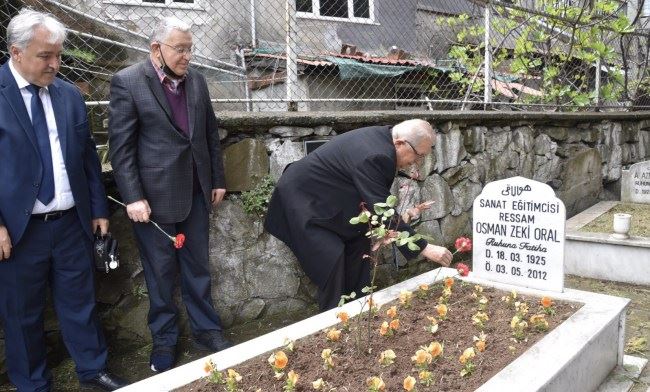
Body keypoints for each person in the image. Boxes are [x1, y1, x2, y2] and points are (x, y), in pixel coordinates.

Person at [0, 9, 128, 391]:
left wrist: (99, 210)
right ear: (16, 52)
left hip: (72, 224)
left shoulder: (69, 95)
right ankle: (32, 384)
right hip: (19, 231)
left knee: (81, 302)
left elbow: (87, 157)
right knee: (21, 314)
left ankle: (93, 370)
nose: (55, 64)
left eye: (58, 55)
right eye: (45, 56)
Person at [108, 16, 231, 373]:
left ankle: (207, 332)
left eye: (190, 48)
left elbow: (209, 132)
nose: (187, 56)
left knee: (198, 267)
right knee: (160, 273)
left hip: (195, 192)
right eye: (180, 48)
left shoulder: (197, 82)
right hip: (153, 199)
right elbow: (122, 148)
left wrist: (217, 179)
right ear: (156, 48)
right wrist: (132, 196)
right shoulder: (128, 82)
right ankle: (164, 341)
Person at [264, 119, 453, 311]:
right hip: (302, 200)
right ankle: (333, 323)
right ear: (400, 143)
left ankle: (358, 311)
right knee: (332, 260)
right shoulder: (377, 155)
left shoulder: (385, 140)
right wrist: (424, 247)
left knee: (359, 248)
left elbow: (373, 203)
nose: (417, 163)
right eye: (418, 155)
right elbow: (381, 207)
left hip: (328, 199)